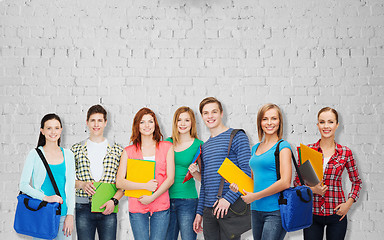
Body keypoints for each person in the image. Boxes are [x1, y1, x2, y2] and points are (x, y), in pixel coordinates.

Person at [297, 107, 362, 240]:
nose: (326, 126)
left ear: (337, 125)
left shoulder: (345, 153)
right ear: (317, 125)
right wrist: (313, 190)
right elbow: (297, 182)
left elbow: (357, 182)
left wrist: (348, 204)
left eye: (330, 122)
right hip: (312, 213)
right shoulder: (307, 150)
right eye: (322, 122)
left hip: (337, 213)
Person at [230, 103, 292, 240]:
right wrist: (238, 187)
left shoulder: (283, 147)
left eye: (274, 118)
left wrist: (256, 196)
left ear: (280, 121)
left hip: (275, 210)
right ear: (260, 122)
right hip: (256, 210)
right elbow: (253, 181)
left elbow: (285, 182)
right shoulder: (255, 148)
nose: (269, 123)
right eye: (265, 119)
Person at [192, 97, 252, 240]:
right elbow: (205, 183)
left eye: (214, 112)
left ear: (221, 113)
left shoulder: (237, 136)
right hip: (208, 212)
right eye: (206, 113)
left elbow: (246, 172)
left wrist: (227, 199)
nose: (210, 116)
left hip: (229, 209)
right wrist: (200, 213)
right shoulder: (204, 146)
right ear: (202, 116)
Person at [116, 107, 175, 240]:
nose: (147, 125)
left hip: (160, 204)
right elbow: (120, 182)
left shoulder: (167, 147)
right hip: (137, 205)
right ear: (137, 125)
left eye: (150, 121)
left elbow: (170, 179)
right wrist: (145, 186)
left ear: (155, 124)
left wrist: (152, 197)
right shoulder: (128, 151)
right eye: (142, 122)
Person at [71, 104, 124, 240]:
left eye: (100, 120)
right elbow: (68, 179)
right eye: (93, 120)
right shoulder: (76, 149)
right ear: (87, 122)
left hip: (108, 207)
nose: (96, 124)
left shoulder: (117, 150)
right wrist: (82, 185)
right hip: (83, 207)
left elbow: (123, 184)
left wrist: (114, 201)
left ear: (105, 123)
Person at [19, 113, 75, 240]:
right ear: (42, 131)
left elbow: (71, 187)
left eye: (56, 128)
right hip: (42, 214)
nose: (53, 132)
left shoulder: (68, 155)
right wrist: (46, 198)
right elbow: (23, 185)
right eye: (49, 128)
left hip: (63, 216)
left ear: (61, 130)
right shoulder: (34, 154)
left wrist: (70, 215)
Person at [165, 106, 204, 240]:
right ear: (175, 122)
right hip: (165, 199)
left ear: (192, 122)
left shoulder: (198, 145)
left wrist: (195, 173)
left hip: (188, 201)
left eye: (187, 120)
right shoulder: (167, 143)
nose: (182, 124)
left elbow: (204, 178)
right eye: (179, 120)